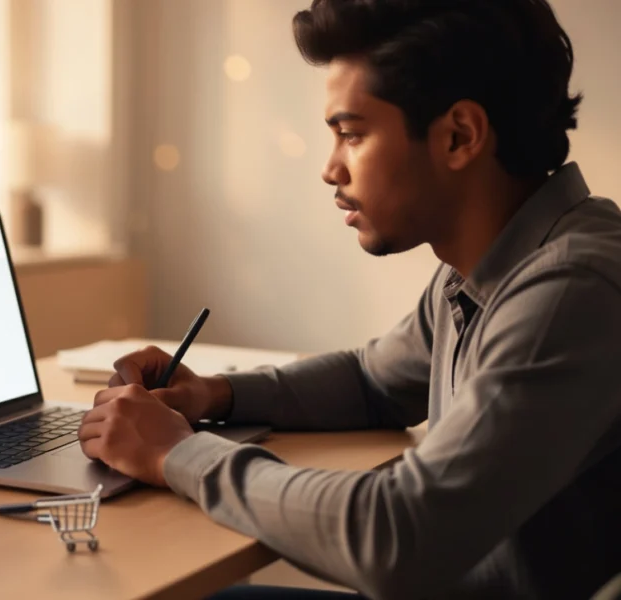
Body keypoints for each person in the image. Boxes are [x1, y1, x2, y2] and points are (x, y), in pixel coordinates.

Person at [77, 0, 621, 598]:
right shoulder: (482, 268)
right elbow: (372, 381)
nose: (331, 168)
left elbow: (397, 535)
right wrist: (213, 394)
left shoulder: (572, 289)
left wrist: (175, 453)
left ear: (459, 135)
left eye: (352, 133)